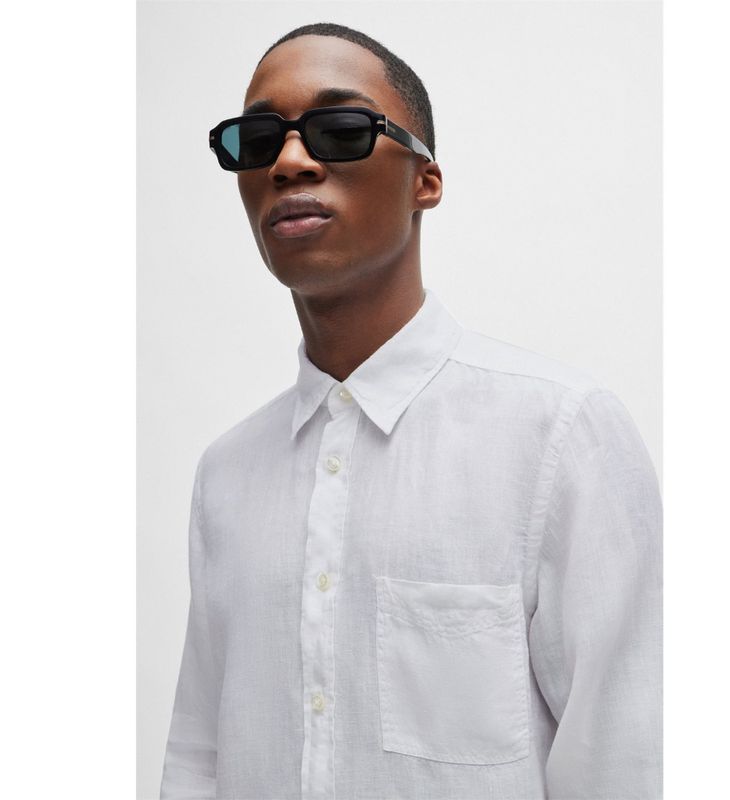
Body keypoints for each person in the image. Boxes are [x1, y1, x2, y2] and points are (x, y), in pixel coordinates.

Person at [159, 22, 662, 800]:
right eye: (257, 141)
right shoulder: (226, 476)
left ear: (425, 180)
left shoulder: (561, 438)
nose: (289, 161)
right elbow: (199, 762)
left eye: (341, 129)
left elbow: (624, 763)